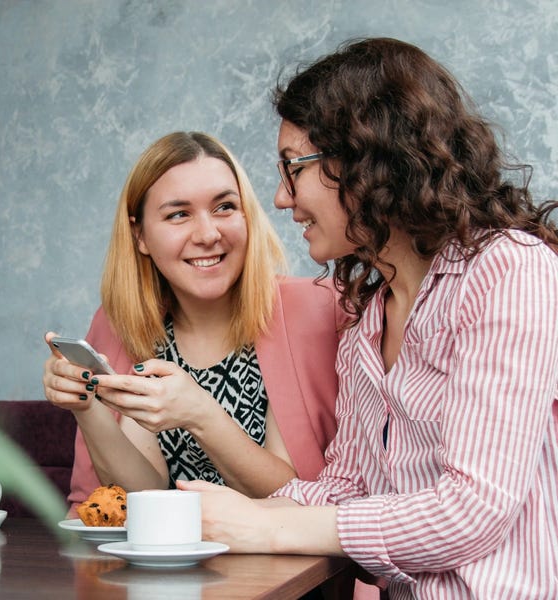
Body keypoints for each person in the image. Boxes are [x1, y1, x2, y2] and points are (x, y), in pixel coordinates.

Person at [178, 37, 558, 599]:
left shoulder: (508, 272)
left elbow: (473, 508)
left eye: (294, 168)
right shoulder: (367, 324)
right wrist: (228, 511)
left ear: (367, 160)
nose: (282, 199)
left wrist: (267, 525)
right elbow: (347, 491)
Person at [42, 131, 346, 513]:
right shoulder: (119, 326)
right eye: (179, 214)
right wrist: (87, 408)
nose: (207, 234)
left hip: (285, 568)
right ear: (140, 236)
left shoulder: (314, 310)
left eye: (224, 207)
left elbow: (295, 498)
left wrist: (199, 414)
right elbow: (140, 495)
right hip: (163, 569)